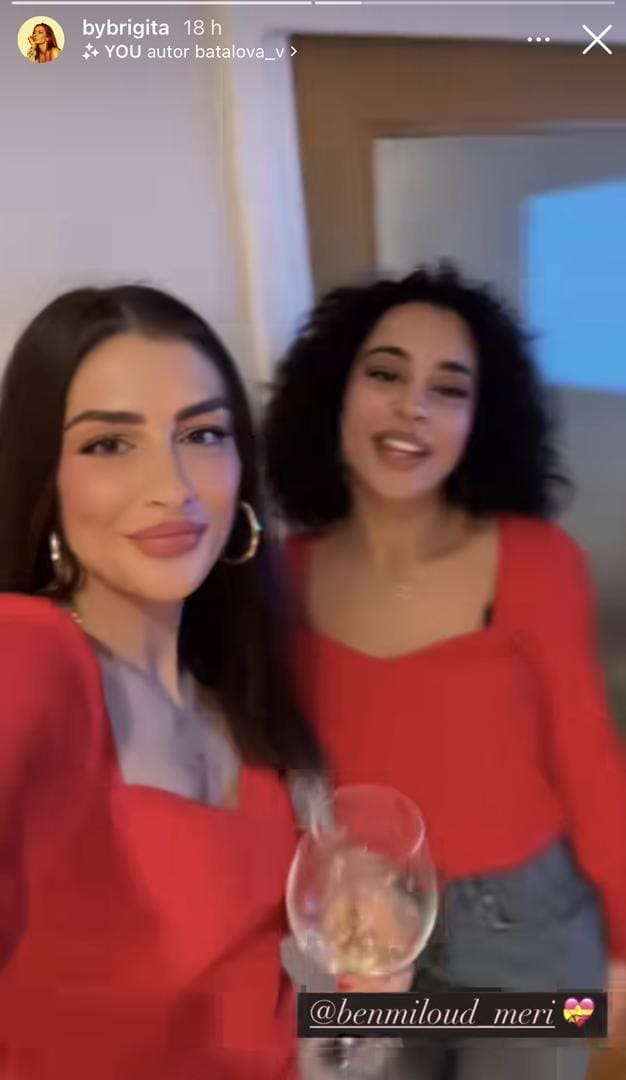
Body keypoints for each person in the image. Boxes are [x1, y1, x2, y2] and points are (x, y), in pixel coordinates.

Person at [263, 264, 626, 1079]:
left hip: (531, 932)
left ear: (478, 421)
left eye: (449, 388)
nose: (412, 407)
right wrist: (326, 882)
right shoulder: (282, 577)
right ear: (334, 393)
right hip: (363, 930)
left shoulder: (537, 562)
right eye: (385, 374)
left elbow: (591, 764)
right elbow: (270, 769)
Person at [0, 284, 327, 1079]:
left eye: (203, 434)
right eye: (111, 444)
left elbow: (272, 1026)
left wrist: (556, 1008)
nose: (173, 485)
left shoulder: (239, 700)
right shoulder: (30, 653)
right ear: (44, 476)